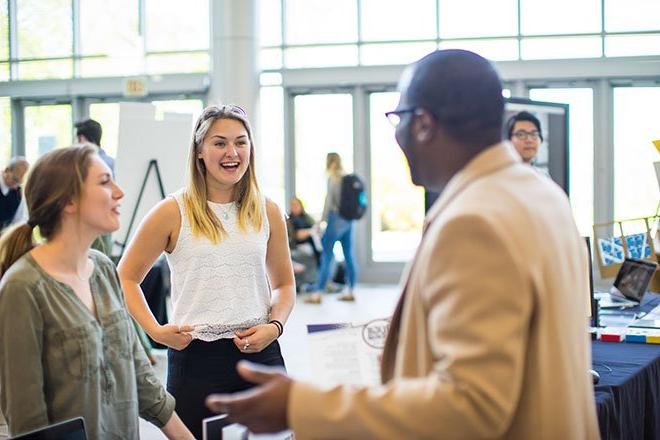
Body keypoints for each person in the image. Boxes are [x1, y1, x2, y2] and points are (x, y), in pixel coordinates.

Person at [206, 50, 599, 439]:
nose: (396, 135)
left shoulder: (474, 221)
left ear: (424, 123)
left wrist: (302, 405)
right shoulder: (543, 195)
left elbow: (471, 406)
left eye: (397, 119)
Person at [117, 104, 295, 438]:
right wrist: (155, 330)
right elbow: (124, 277)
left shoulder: (267, 209)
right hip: (196, 357)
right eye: (220, 143)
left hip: (260, 351)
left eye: (241, 142)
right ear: (200, 151)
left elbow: (284, 284)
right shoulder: (172, 212)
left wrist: (275, 326)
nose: (232, 153)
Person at [0, 145, 192, 439]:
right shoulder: (21, 287)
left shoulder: (102, 269)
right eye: (104, 182)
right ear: (68, 201)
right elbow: (28, 421)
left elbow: (139, 373)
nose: (119, 192)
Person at [305, 152, 358, 303]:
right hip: (348, 220)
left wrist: (321, 221)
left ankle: (317, 293)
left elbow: (329, 202)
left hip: (335, 219)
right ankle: (351, 290)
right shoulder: (347, 177)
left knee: (326, 256)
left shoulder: (333, 178)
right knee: (348, 255)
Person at [287, 197, 320, 290]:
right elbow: (297, 235)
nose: (294, 207)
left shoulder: (307, 218)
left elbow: (316, 229)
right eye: (292, 205)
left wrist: (311, 231)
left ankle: (321, 281)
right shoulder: (289, 220)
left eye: (296, 204)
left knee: (324, 254)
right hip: (297, 246)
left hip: (312, 244)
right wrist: (310, 231)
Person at [0, 157, 29, 231]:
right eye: (15, 179)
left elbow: (20, 220)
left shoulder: (18, 191)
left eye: (20, 183)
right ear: (7, 170)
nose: (16, 186)